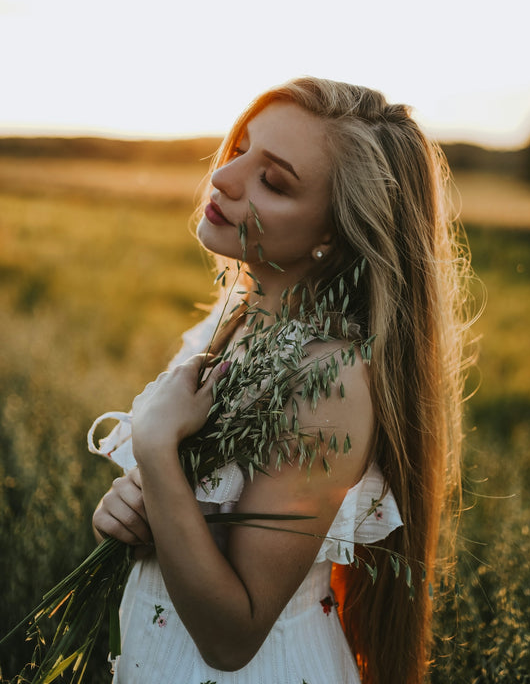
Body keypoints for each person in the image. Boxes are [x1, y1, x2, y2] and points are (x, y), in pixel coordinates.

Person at [90, 77, 470, 684]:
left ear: (333, 235)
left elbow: (233, 636)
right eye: (240, 147)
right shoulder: (235, 317)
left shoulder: (329, 383)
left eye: (274, 181)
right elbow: (191, 522)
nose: (224, 177)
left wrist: (158, 453)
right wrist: (135, 513)